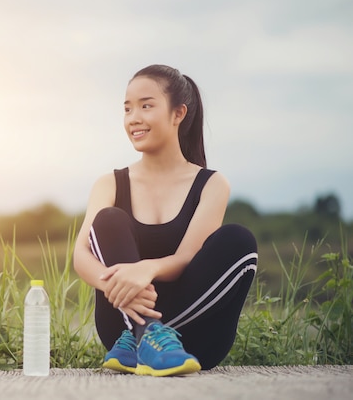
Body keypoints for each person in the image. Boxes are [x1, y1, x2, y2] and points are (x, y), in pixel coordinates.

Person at [73, 64, 258, 376]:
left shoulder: (212, 184)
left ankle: (153, 337)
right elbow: (81, 256)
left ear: (178, 114)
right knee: (108, 220)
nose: (134, 118)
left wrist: (147, 268)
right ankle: (146, 331)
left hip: (195, 339)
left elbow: (187, 258)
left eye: (146, 106)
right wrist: (122, 284)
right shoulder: (110, 183)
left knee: (239, 240)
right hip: (123, 327)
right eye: (127, 108)